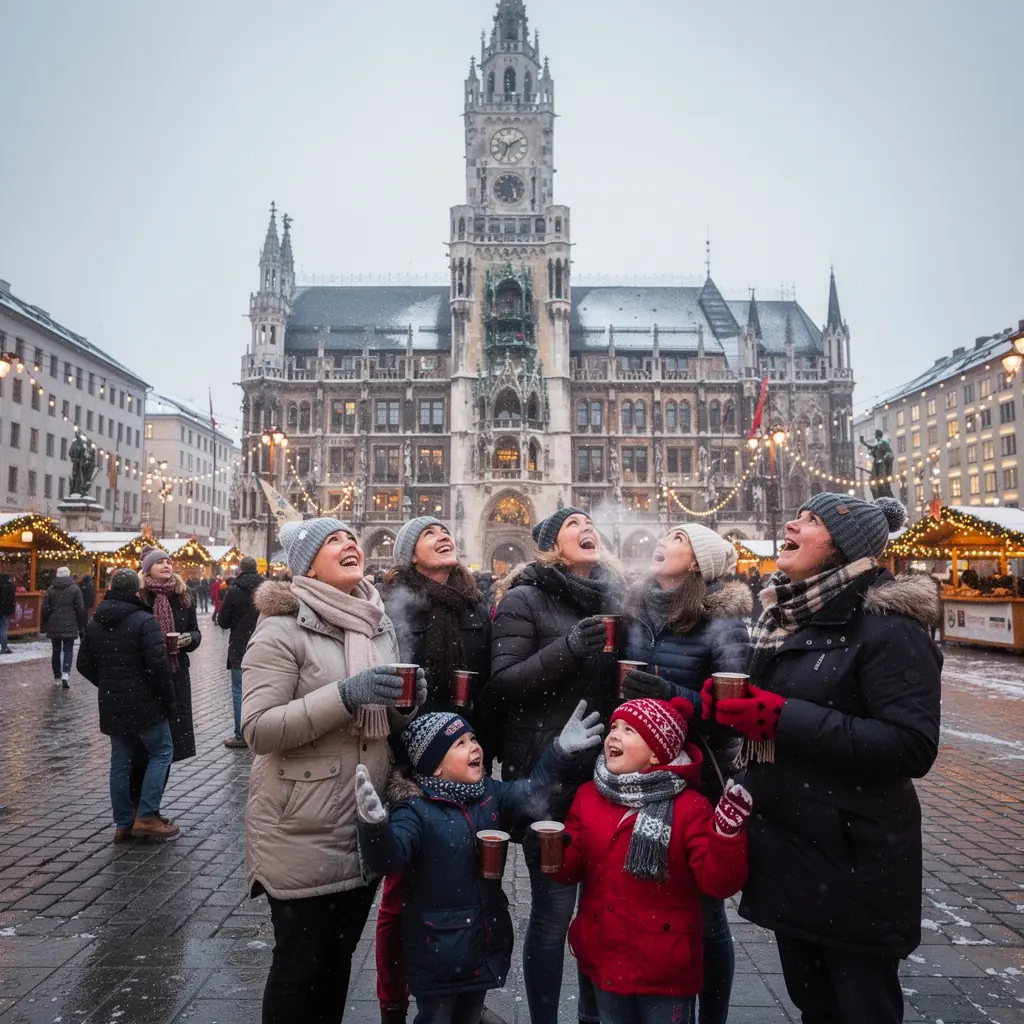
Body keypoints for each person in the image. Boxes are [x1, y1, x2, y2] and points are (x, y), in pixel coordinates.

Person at [706, 494, 942, 1024]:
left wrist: (777, 717)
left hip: (855, 859)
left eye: (810, 520)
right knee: (814, 1005)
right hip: (796, 854)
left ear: (843, 547)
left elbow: (911, 745)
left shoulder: (889, 625)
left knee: (860, 1008)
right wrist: (720, 710)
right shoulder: (792, 617)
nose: (790, 521)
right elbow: (784, 712)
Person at [241, 517, 427, 1024]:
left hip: (360, 821)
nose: (348, 544)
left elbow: (379, 719)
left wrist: (406, 704)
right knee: (299, 970)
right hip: (301, 825)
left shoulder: (374, 621)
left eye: (349, 536)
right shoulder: (282, 628)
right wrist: (346, 695)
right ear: (307, 567)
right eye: (332, 541)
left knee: (336, 965)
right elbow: (258, 729)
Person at [355, 703, 605, 1024]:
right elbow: (389, 858)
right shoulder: (414, 810)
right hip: (438, 953)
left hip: (480, 947)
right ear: (435, 768)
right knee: (437, 1017)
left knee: (470, 1016)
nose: (474, 747)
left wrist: (559, 752)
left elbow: (531, 793)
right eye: (459, 744)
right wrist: (374, 828)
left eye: (472, 739)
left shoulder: (487, 793)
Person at [486, 506, 622, 1024]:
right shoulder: (525, 598)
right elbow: (506, 683)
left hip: (608, 779)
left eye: (590, 522)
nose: (586, 528)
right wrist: (568, 647)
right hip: (546, 776)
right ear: (549, 544)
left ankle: (593, 1016)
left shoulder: (615, 598)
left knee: (601, 913)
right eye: (572, 524)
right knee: (552, 915)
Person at [621, 523, 751, 1024]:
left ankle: (710, 1015)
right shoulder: (638, 610)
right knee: (651, 902)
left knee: (705, 911)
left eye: (676, 538)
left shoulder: (724, 621)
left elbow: (732, 712)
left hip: (696, 781)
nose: (661, 541)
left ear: (697, 560)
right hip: (641, 776)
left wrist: (667, 694)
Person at [553, 697, 750, 1024]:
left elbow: (717, 882)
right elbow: (570, 868)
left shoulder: (691, 807)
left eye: (629, 730)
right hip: (606, 957)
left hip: (665, 968)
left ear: (657, 753)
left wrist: (726, 836)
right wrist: (551, 852)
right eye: (614, 727)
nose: (613, 735)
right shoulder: (589, 796)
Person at [377, 517, 496, 1024]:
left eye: (447, 530)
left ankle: (463, 992)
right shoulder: (390, 606)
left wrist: (480, 741)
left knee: (468, 882)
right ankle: (393, 1001)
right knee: (399, 894)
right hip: (410, 757)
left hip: (465, 757)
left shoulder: (473, 607)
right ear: (410, 554)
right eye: (429, 534)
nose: (443, 535)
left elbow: (490, 677)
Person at [77, 568, 179, 841]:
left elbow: (83, 664)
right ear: (136, 591)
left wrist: (109, 683)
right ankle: (146, 815)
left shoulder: (96, 621)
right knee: (162, 753)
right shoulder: (144, 620)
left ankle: (123, 822)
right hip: (146, 704)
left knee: (120, 761)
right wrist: (169, 701)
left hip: (113, 704)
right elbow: (158, 667)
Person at [131, 546, 202, 813]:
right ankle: (137, 806)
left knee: (169, 745)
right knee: (144, 746)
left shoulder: (183, 597)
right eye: (159, 562)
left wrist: (189, 640)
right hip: (146, 678)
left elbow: (195, 633)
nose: (166, 565)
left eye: (168, 561)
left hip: (176, 677)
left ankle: (152, 807)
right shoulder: (139, 597)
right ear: (147, 568)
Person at [215, 556, 264, 749]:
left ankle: (241, 734)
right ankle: (263, 731)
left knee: (239, 691)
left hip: (240, 647)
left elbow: (223, 621)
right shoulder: (266, 588)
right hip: (265, 645)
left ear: (240, 570)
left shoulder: (234, 591)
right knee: (264, 689)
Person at [41, 566, 87, 688]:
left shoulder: (50, 590)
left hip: (54, 625)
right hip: (70, 624)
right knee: (68, 650)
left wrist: (45, 622)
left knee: (56, 651)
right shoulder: (75, 589)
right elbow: (80, 608)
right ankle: (66, 674)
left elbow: (45, 608)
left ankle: (57, 676)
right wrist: (81, 624)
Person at [0, 572, 15, 654]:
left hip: (2, 609)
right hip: (5, 611)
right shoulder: (10, 586)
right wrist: (10, 610)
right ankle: (4, 647)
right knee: (3, 629)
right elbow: (11, 600)